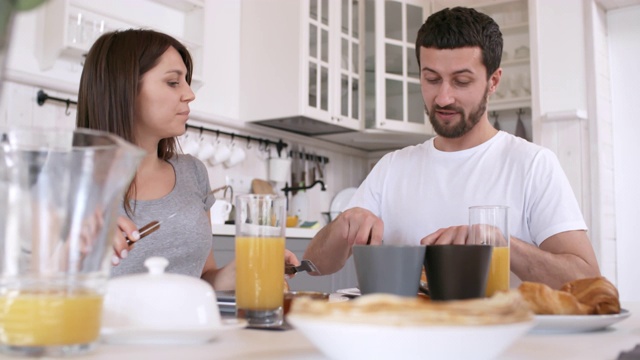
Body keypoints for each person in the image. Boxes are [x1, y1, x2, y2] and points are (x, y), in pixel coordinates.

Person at [303, 7, 600, 290]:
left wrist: (501, 246)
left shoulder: (533, 164)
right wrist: (344, 225)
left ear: (493, 81)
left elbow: (586, 281)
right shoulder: (392, 167)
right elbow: (316, 265)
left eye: (461, 81)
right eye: (432, 79)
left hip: (503, 339)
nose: (443, 97)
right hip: (404, 335)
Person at [77, 29, 298, 290]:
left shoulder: (192, 172)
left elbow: (203, 278)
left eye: (186, 82)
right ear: (123, 87)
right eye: (173, 82)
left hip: (190, 329)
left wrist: (241, 271)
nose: (189, 94)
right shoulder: (69, 183)